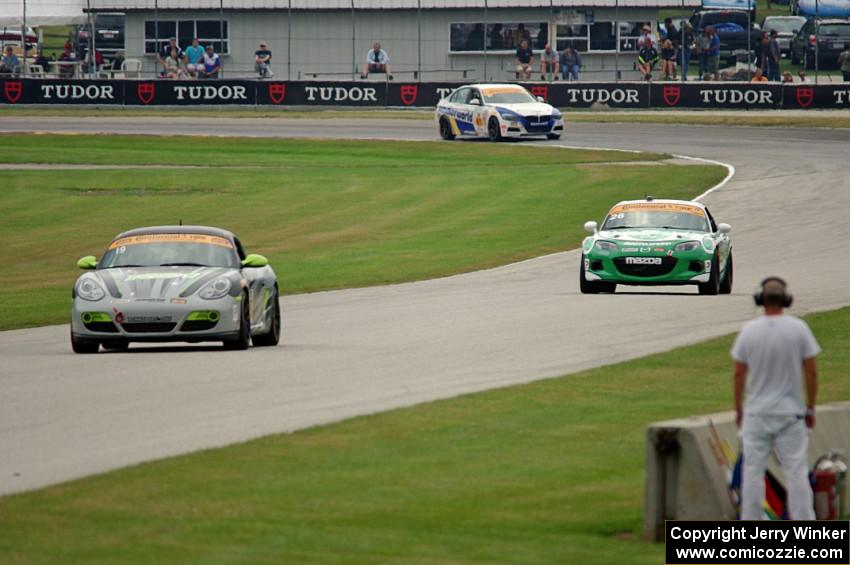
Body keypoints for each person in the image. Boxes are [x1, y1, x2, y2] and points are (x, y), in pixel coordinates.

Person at [731, 277, 819, 521]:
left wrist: (739, 409)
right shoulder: (799, 329)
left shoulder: (749, 331)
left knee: (752, 473)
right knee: (796, 471)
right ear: (786, 300)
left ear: (760, 300)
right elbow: (811, 370)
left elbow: (739, 373)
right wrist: (810, 406)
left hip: (757, 413)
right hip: (790, 414)